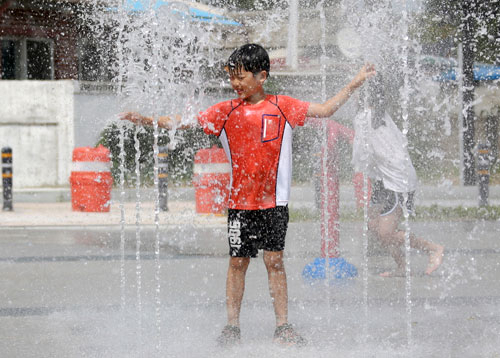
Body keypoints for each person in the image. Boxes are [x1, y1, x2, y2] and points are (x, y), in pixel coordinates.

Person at [120, 43, 375, 346]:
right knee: (237, 262)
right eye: (231, 77)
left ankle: (283, 326)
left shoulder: (284, 106)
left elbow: (325, 109)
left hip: (274, 203)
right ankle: (231, 328)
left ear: (262, 76)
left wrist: (355, 83)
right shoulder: (225, 112)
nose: (235, 83)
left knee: (275, 261)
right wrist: (146, 120)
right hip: (240, 204)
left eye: (241, 77)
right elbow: (183, 121)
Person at [352, 74, 444, 277]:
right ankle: (401, 266)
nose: (354, 93)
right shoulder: (377, 115)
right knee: (374, 226)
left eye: (358, 89)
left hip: (397, 181)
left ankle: (432, 248)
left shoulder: (367, 117)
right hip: (386, 179)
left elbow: (360, 156)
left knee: (386, 233)